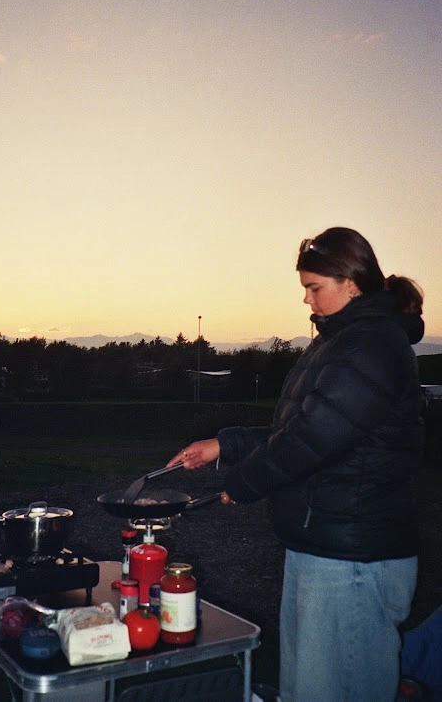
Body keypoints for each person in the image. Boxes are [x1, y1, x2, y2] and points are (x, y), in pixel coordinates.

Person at [168, 227, 425, 702]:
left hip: (354, 556)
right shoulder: (342, 341)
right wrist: (223, 447)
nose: (307, 301)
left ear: (352, 282)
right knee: (307, 688)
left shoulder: (371, 345)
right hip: (325, 545)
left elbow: (314, 438)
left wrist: (244, 483)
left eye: (314, 288)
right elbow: (301, 430)